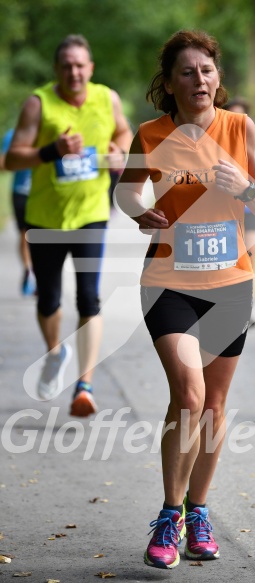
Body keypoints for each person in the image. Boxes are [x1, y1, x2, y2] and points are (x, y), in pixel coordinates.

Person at [116, 29, 255, 569]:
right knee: (188, 396)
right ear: (169, 83)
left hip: (230, 285)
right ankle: (170, 514)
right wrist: (140, 212)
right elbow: (125, 189)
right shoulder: (151, 132)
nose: (199, 80)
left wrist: (247, 190)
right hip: (168, 281)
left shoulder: (239, 127)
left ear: (218, 78)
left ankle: (199, 510)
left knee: (212, 407)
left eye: (207, 70)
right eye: (187, 72)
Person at [6, 34, 132, 417]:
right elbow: (11, 159)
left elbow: (123, 132)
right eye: (66, 65)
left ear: (90, 69)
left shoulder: (106, 98)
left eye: (80, 65)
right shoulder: (38, 104)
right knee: (49, 300)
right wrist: (51, 152)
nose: (74, 71)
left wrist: (120, 150)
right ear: (57, 70)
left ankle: (85, 385)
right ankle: (55, 352)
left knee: (89, 298)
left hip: (92, 212)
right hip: (45, 218)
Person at [223, 98, 255, 326]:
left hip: (252, 207)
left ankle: (248, 308)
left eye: (242, 116)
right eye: (233, 116)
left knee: (250, 253)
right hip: (228, 209)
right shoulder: (217, 142)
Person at [0, 128, 35, 295]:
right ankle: (29, 270)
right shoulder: (12, 135)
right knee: (26, 234)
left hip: (48, 193)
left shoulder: (57, 131)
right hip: (22, 191)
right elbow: (3, 164)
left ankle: (36, 272)